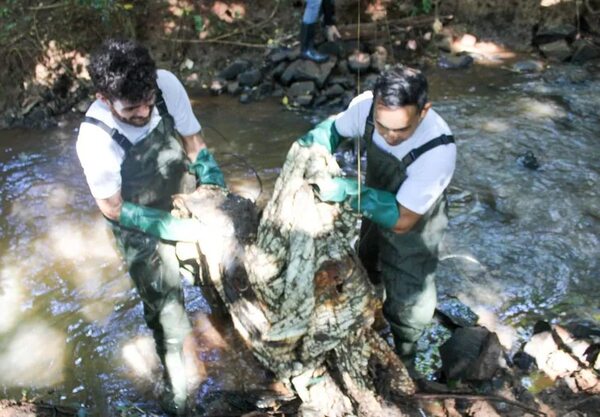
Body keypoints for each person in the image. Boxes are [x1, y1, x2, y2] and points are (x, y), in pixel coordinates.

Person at [76, 39, 226, 415]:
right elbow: (111, 208)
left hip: (180, 190)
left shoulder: (166, 85)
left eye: (148, 101)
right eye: (132, 108)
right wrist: (172, 229)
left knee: (224, 273)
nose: (144, 112)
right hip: (135, 220)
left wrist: (213, 184)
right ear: (104, 98)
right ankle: (180, 402)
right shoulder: (95, 139)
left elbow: (192, 140)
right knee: (168, 316)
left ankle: (230, 334)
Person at [298, 65, 456, 374]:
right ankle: (369, 321)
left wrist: (347, 191)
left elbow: (403, 219)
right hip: (373, 200)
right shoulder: (366, 108)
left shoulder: (439, 150)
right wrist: (310, 147)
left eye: (401, 130)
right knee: (364, 263)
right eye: (382, 127)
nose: (389, 136)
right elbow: (333, 131)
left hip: (415, 222)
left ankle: (406, 358)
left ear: (424, 111)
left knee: (410, 297)